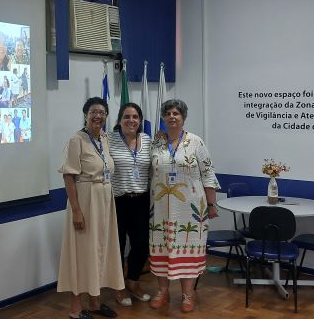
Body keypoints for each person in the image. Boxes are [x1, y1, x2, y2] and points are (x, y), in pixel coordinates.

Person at [148, 99, 220, 313]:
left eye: (176, 113)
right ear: (163, 117)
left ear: (183, 118)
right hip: (160, 208)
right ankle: (163, 292)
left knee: (186, 249)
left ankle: (188, 296)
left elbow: (208, 173)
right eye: (168, 113)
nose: (172, 117)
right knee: (161, 248)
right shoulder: (157, 142)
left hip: (190, 208)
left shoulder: (195, 142)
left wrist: (212, 203)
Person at [58, 97, 123, 319]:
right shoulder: (77, 140)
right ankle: (75, 310)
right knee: (81, 253)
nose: (98, 116)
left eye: (102, 112)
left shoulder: (104, 138)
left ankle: (94, 302)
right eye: (94, 111)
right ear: (85, 115)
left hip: (104, 201)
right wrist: (76, 210)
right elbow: (69, 176)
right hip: (85, 203)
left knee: (100, 250)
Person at [107, 102, 153, 307]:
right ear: (119, 120)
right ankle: (118, 287)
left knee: (141, 244)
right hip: (117, 200)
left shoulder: (147, 140)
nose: (131, 120)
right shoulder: (109, 139)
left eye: (135, 117)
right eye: (126, 116)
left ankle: (133, 281)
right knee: (118, 246)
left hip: (141, 200)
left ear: (140, 121)